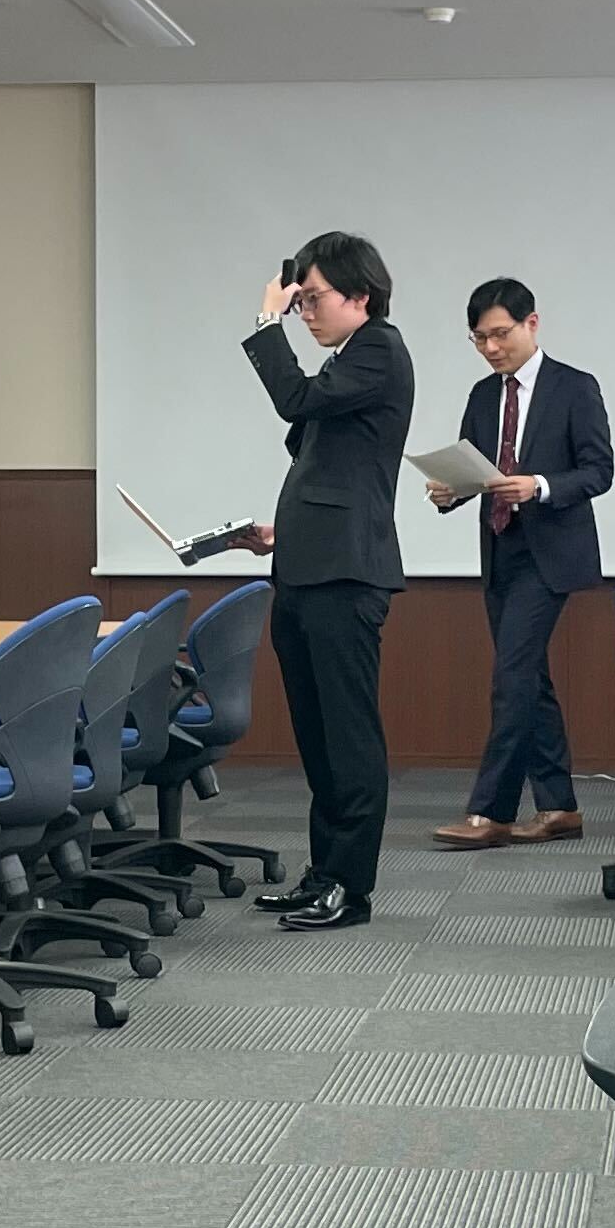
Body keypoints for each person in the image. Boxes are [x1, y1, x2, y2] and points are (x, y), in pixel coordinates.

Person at [238, 232, 414, 929]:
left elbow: (293, 399)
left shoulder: (379, 348)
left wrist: (266, 321)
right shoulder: (346, 364)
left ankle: (350, 887)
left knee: (348, 736)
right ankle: (324, 872)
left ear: (360, 296)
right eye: (298, 302)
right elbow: (330, 471)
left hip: (345, 576)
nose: (305, 313)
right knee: (317, 737)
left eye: (313, 299)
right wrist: (282, 532)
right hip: (308, 568)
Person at [430, 277, 615, 851]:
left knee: (512, 676)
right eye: (479, 338)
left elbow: (599, 471)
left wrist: (539, 485)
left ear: (531, 323)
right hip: (500, 549)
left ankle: (492, 812)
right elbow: (473, 470)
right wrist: (450, 492)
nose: (490, 348)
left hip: (551, 555)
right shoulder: (482, 396)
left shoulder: (575, 387)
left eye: (500, 334)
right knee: (529, 678)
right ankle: (560, 807)